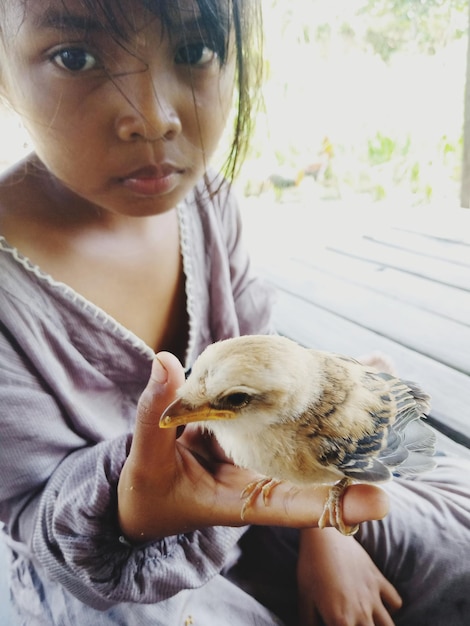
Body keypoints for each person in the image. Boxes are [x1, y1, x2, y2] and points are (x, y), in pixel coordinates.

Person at [0, 1, 469, 625]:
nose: (154, 118)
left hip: (271, 479)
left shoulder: (208, 202)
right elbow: (32, 515)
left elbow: (280, 374)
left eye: (194, 51)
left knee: (453, 547)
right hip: (98, 564)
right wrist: (138, 512)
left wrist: (328, 532)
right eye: (76, 57)